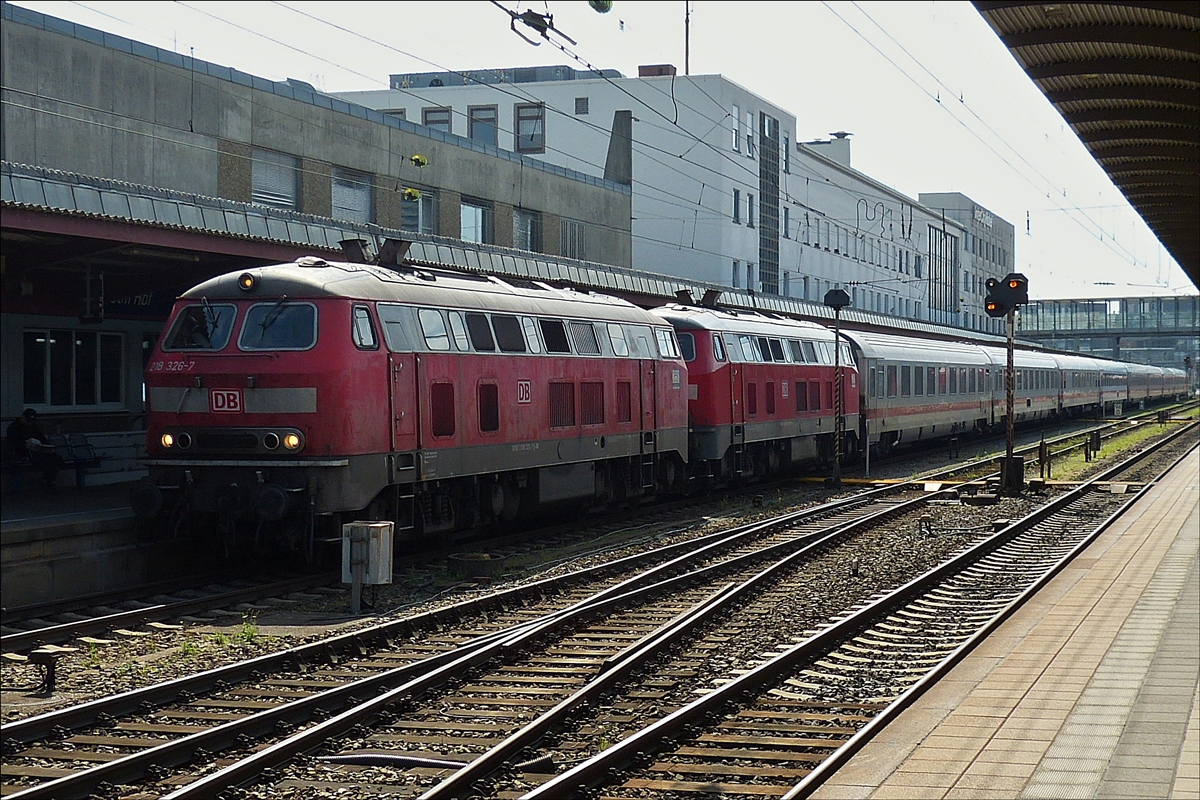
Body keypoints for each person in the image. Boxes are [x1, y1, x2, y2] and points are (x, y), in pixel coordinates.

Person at [6, 409, 63, 489]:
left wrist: (47, 446)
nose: (29, 423)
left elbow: (42, 438)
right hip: (23, 452)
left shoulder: (34, 427)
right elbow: (13, 442)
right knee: (43, 460)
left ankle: (49, 478)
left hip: (38, 450)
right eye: (28, 420)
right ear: (23, 417)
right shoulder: (13, 427)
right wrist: (25, 445)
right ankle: (49, 479)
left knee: (56, 458)